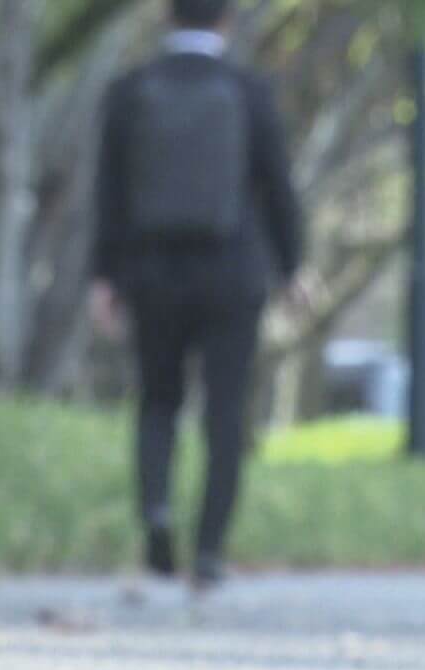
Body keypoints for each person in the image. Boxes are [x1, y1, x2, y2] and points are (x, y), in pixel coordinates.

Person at [90, 0, 305, 588]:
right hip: (232, 273)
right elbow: (277, 187)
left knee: (157, 401)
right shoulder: (246, 89)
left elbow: (109, 192)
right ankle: (209, 548)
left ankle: (157, 514)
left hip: (151, 271)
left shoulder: (131, 89)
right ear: (227, 20)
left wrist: (104, 276)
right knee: (225, 409)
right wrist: (292, 269)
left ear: (166, 16)